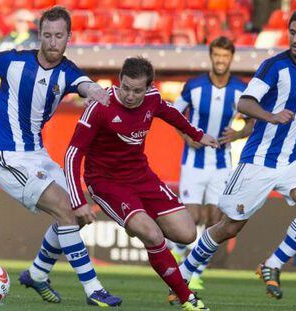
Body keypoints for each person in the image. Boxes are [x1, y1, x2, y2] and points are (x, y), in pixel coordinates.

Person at [0, 6, 121, 307]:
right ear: (39, 35)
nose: (53, 42)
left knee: (77, 208)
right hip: (8, 157)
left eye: (59, 36)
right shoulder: (13, 61)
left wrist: (98, 92)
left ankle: (37, 273)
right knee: (64, 207)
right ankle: (93, 289)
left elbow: (86, 85)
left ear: (68, 37)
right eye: (47, 35)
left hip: (37, 155)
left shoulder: (68, 71)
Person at [171, 7, 296, 303]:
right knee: (229, 226)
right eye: (292, 32)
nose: (295, 39)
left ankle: (272, 265)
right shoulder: (274, 67)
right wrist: (270, 115)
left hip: (291, 160)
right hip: (259, 161)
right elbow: (246, 103)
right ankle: (184, 273)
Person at [65, 56, 219, 310]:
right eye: (125, 87)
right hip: (106, 182)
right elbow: (73, 153)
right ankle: (186, 297)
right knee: (152, 235)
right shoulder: (100, 105)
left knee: (187, 233)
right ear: (119, 81)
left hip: (141, 176)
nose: (129, 95)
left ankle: (135, 222)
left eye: (137, 91)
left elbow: (171, 113)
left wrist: (197, 135)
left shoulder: (153, 99)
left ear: (148, 88)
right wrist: (78, 200)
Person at [169, 36, 254, 290]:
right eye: (216, 55)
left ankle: (194, 271)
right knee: (192, 218)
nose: (220, 60)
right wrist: (186, 136)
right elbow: (173, 114)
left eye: (225, 56)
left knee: (216, 218)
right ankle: (176, 249)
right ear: (211, 56)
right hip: (193, 162)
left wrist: (238, 134)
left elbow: (253, 121)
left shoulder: (240, 90)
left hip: (221, 164)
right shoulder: (194, 86)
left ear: (231, 58)